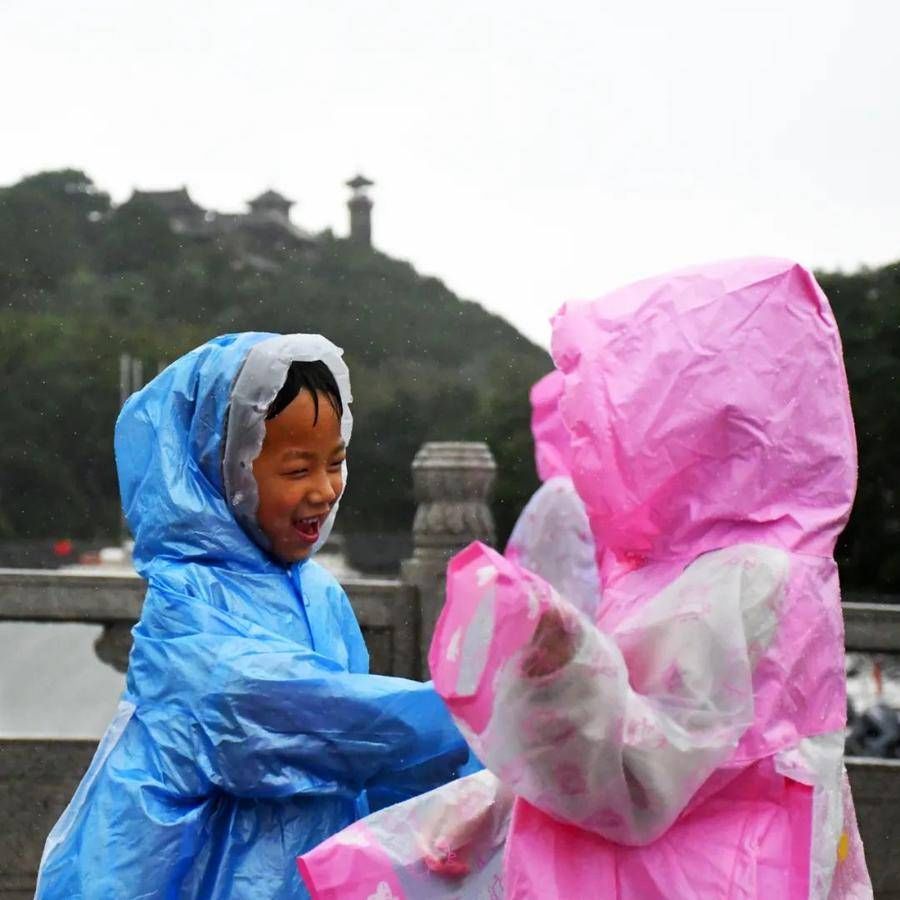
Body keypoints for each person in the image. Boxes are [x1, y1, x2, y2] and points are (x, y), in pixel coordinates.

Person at [301, 258, 874, 898]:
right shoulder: (675, 567)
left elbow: (639, 775)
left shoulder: (750, 581)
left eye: (597, 429)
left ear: (689, 426)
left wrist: (557, 666)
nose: (581, 455)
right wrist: (491, 804)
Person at [35, 332, 468, 899]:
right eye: (296, 471)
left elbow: (378, 767)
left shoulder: (322, 595)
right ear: (226, 469)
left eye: (335, 462)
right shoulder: (187, 598)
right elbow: (277, 712)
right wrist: (471, 715)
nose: (324, 490)